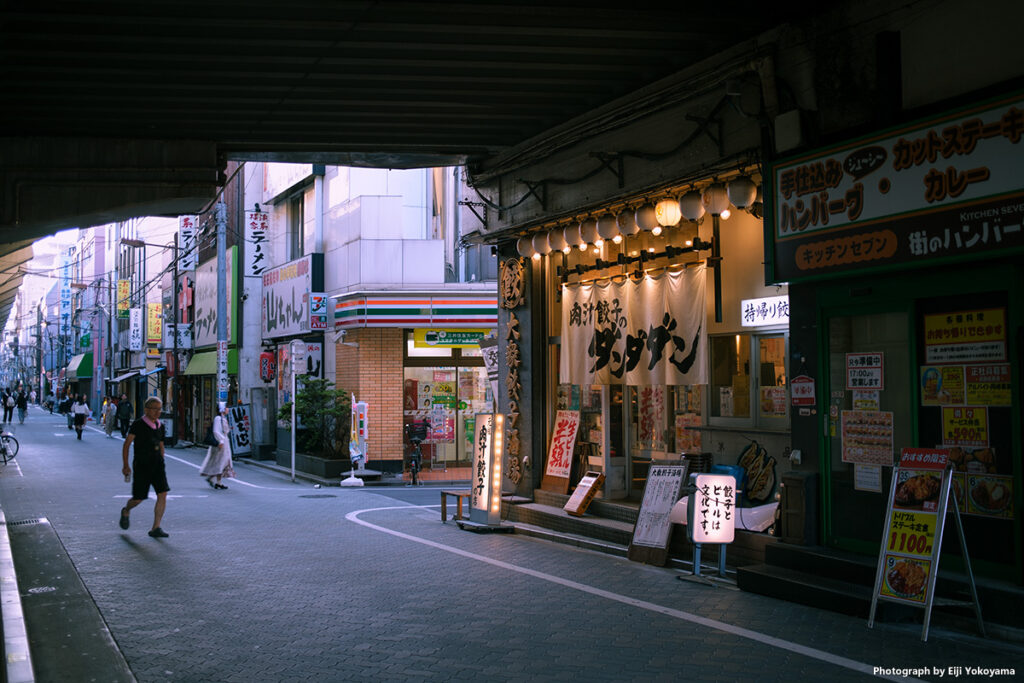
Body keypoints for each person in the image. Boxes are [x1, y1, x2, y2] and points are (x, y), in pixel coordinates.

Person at [119, 397, 169, 538]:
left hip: (158, 465)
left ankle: (156, 527)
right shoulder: (138, 424)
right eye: (155, 408)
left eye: (160, 409)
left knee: (162, 493)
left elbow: (161, 444)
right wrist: (126, 465)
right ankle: (126, 510)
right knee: (138, 498)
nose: (158, 412)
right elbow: (127, 444)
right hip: (142, 465)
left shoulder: (160, 426)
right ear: (147, 409)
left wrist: (162, 459)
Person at [199, 402, 234, 490]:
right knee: (220, 463)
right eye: (226, 408)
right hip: (220, 444)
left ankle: (218, 482)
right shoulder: (218, 419)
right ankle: (211, 478)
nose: (228, 409)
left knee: (222, 463)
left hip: (224, 443)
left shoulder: (223, 418)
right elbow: (216, 431)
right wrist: (221, 441)